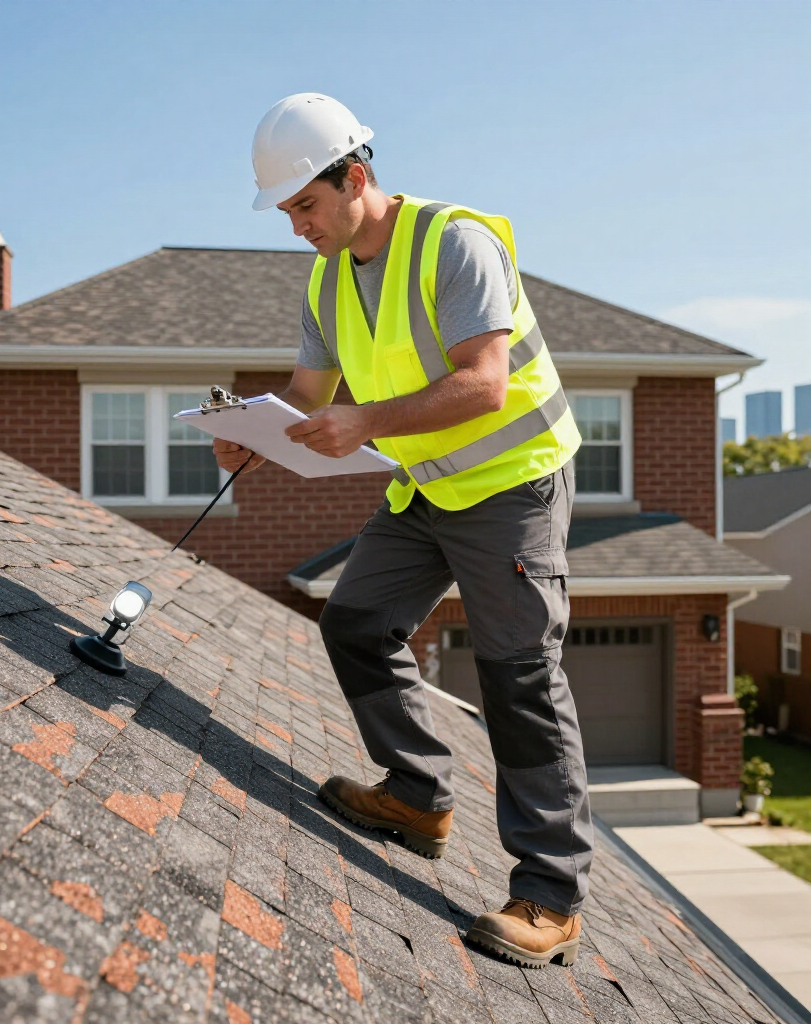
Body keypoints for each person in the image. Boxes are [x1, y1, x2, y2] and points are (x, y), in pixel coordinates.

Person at [213, 93, 592, 970]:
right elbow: (310, 395)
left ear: (356, 176)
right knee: (355, 623)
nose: (297, 226)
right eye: (287, 213)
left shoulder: (454, 242)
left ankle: (551, 895)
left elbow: (487, 384)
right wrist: (255, 435)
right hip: (428, 484)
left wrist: (369, 420)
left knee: (519, 677)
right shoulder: (325, 276)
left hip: (512, 483)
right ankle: (420, 795)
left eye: (305, 204)